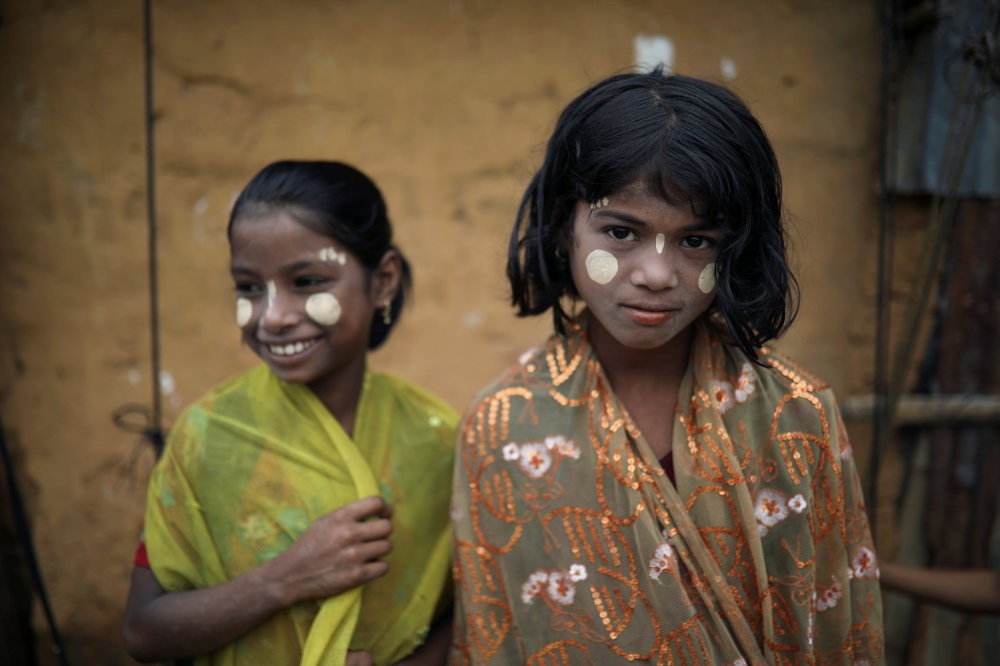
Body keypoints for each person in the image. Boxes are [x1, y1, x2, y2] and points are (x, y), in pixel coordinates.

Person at [450, 70, 885, 664]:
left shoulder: (797, 413)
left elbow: (841, 630)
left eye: (696, 241)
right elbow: (493, 635)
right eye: (621, 231)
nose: (656, 275)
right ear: (563, 227)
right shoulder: (504, 428)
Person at [123, 160, 456, 665]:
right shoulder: (210, 437)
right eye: (249, 287)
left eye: (307, 281)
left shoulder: (439, 440)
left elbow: (475, 613)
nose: (272, 317)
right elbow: (145, 632)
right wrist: (287, 577)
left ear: (382, 280)